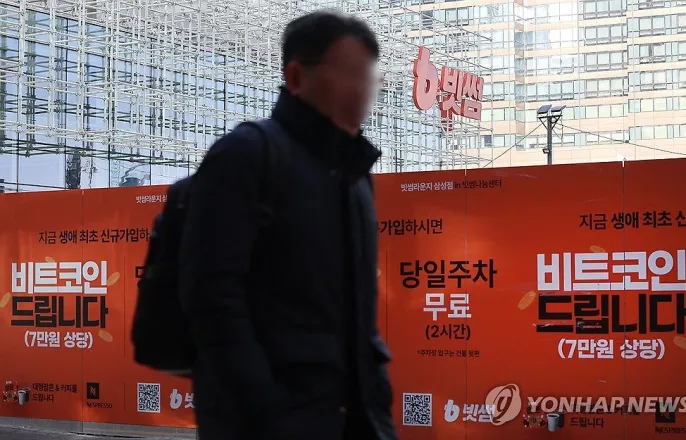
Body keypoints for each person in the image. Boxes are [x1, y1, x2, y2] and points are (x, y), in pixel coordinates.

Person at [178, 10, 398, 440]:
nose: (362, 92)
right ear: (296, 77)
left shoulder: (355, 177)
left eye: (369, 77)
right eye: (348, 74)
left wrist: (375, 398)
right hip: (271, 421)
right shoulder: (246, 155)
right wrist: (262, 407)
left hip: (356, 417)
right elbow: (210, 296)